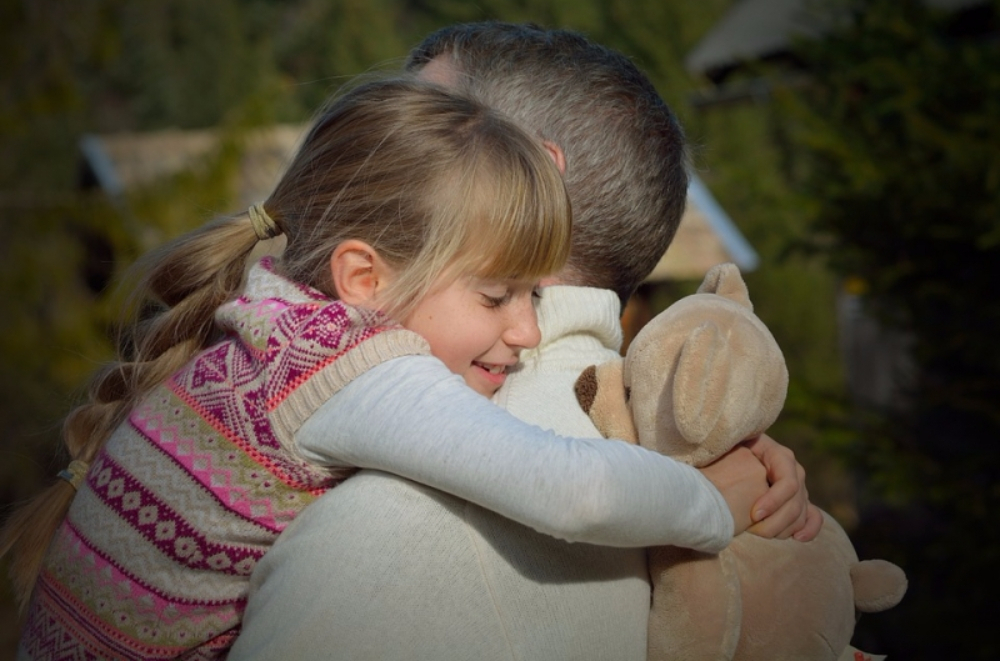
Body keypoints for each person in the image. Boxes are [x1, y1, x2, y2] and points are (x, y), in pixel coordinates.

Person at [4, 77, 768, 661]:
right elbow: (574, 489)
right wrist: (710, 504)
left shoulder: (272, 317)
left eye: (534, 295)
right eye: (498, 295)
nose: (528, 330)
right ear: (364, 279)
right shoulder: (350, 369)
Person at [230, 23, 820, 661]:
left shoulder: (387, 528)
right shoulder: (690, 460)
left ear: (535, 172)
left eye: (423, 124)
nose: (370, 159)